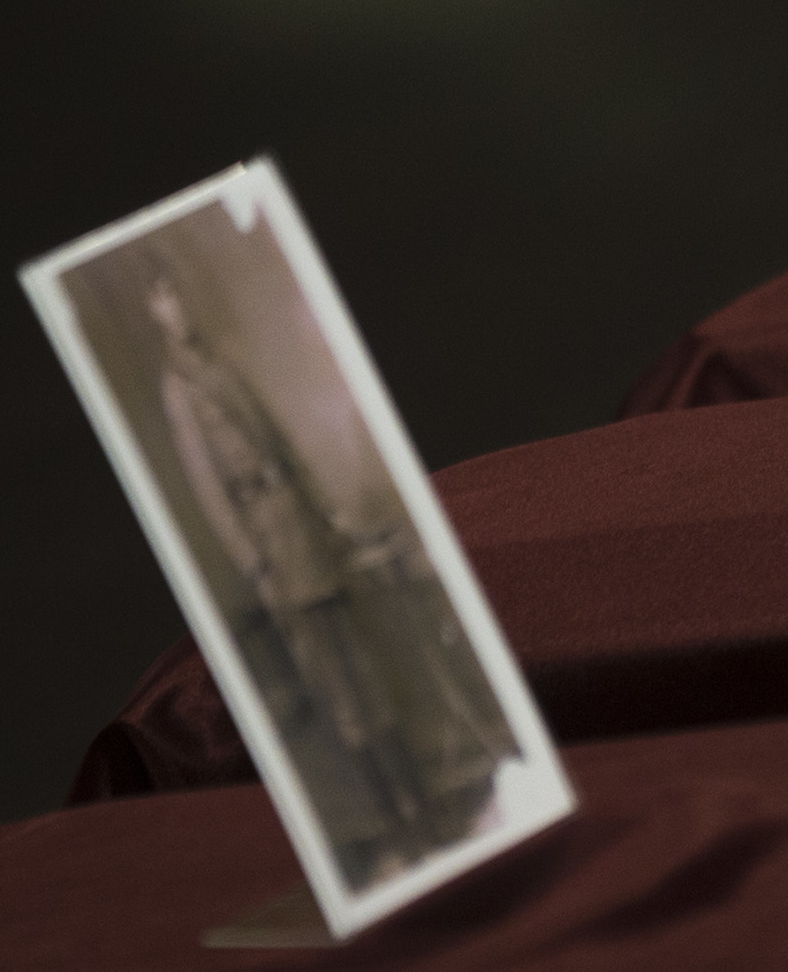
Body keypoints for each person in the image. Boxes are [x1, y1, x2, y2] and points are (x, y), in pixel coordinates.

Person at [143, 266, 512, 883]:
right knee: (341, 696)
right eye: (165, 300)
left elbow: (281, 444)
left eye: (180, 294)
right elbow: (208, 487)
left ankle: (423, 818)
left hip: (309, 531)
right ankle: (398, 824)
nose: (177, 307)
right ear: (156, 313)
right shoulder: (179, 385)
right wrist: (253, 561)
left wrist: (327, 514)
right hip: (276, 549)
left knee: (367, 675)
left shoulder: (221, 359)